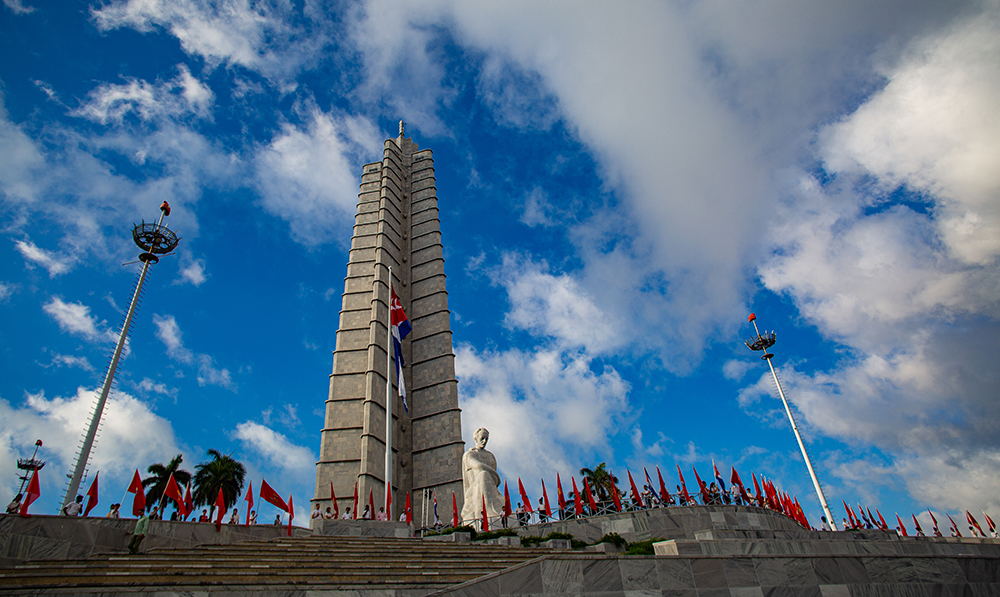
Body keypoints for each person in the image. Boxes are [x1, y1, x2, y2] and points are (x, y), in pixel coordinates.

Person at [460, 428, 504, 523]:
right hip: (474, 489)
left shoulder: (490, 456)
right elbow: (478, 466)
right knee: (483, 474)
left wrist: (494, 476)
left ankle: (492, 511)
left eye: (486, 439)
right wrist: (495, 475)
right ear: (476, 438)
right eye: (482, 438)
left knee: (484, 475)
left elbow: (495, 480)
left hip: (491, 490)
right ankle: (484, 511)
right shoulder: (469, 454)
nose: (484, 441)